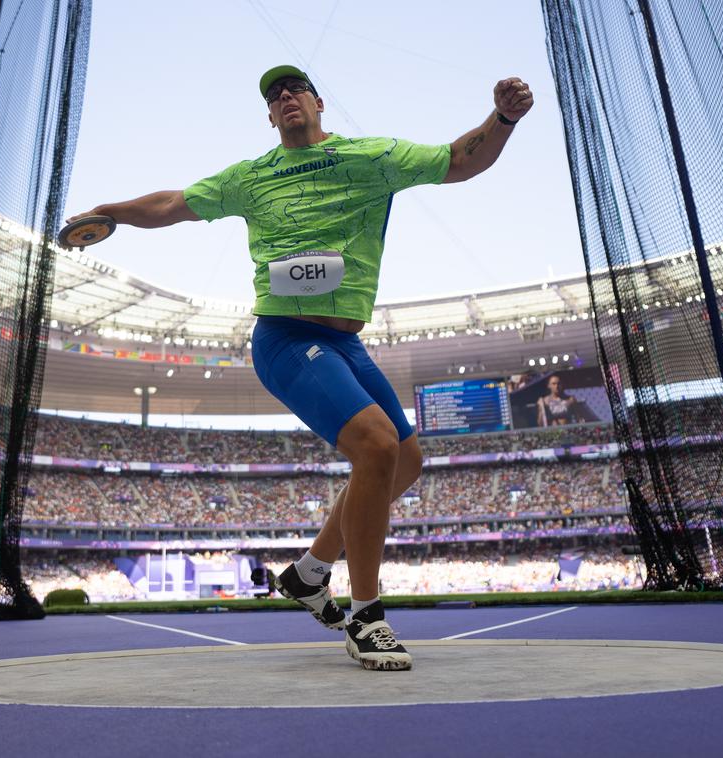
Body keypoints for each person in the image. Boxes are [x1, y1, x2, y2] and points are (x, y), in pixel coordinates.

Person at [68, 64, 533, 670]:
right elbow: (176, 203)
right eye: (273, 95)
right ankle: (365, 616)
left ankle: (312, 573)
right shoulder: (253, 177)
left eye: (294, 90)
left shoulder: (372, 156)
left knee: (407, 459)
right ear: (269, 116)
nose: (284, 97)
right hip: (286, 337)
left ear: (318, 102)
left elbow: (459, 160)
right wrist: (113, 211)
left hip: (347, 342)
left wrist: (503, 119)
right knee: (375, 446)